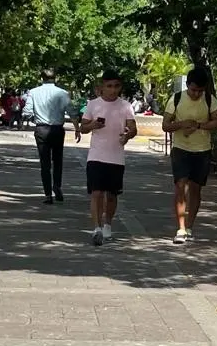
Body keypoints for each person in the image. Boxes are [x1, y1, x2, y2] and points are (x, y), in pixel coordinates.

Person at [163, 66, 217, 244]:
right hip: (181, 148)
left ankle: (189, 226)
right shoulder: (176, 98)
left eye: (199, 90)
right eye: (193, 90)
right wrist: (181, 124)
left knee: (196, 189)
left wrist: (199, 126)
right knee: (180, 186)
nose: (196, 94)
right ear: (187, 85)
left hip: (202, 149)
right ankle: (180, 228)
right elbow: (166, 125)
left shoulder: (209, 99)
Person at [79, 70, 137, 246]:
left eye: (116, 86)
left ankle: (107, 224)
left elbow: (133, 128)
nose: (112, 90)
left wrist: (127, 135)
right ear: (102, 87)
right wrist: (92, 125)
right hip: (96, 155)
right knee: (96, 193)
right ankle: (96, 228)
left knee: (111, 195)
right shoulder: (93, 105)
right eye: (109, 86)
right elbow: (82, 128)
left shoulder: (126, 106)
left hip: (116, 157)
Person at [26, 68, 73, 204]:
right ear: (55, 78)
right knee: (58, 161)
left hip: (41, 129)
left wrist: (34, 119)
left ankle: (47, 194)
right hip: (57, 129)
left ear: (42, 78)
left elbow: (27, 111)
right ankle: (57, 186)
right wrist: (76, 127)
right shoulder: (62, 93)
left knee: (44, 163)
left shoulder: (33, 92)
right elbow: (71, 110)